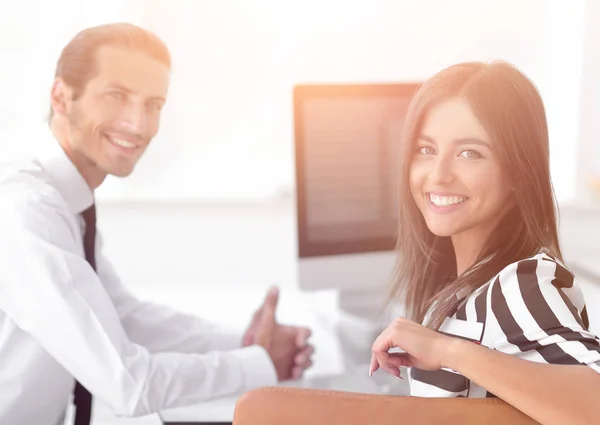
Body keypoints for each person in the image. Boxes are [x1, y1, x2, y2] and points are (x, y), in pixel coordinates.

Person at [0, 23, 313, 425]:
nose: (138, 123)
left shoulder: (66, 199)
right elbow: (128, 384)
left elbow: (123, 316)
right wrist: (258, 363)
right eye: (117, 96)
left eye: (154, 104)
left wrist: (244, 342)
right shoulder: (27, 212)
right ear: (61, 97)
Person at [368, 61, 600, 425]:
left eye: (469, 153)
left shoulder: (520, 283)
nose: (439, 174)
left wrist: (447, 350)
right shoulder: (461, 287)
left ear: (518, 173)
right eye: (426, 149)